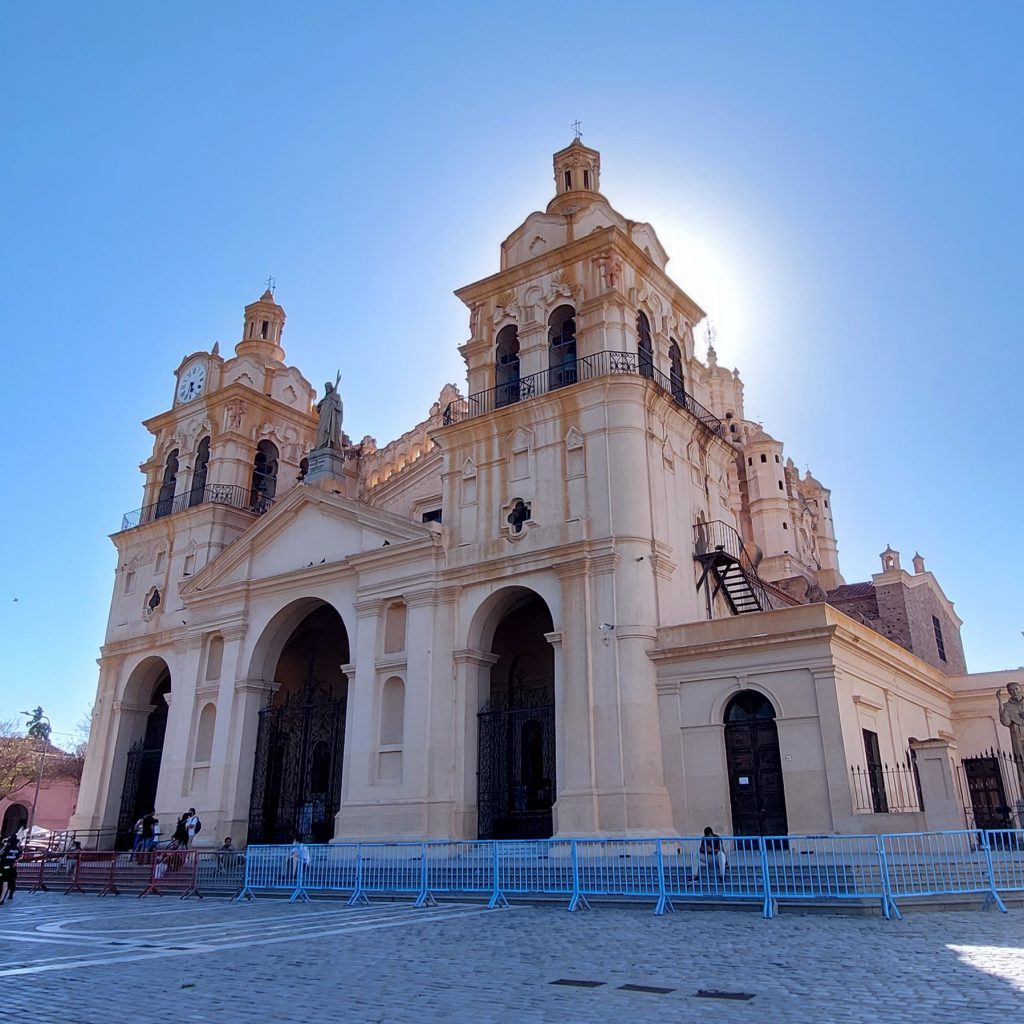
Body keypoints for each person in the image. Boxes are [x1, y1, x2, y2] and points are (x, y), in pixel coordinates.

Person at [313, 376, 343, 450]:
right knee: (322, 431)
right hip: (323, 417)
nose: (327, 388)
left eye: (328, 387)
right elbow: (318, 407)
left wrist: (334, 405)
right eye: (326, 387)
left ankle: (328, 443)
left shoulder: (336, 396)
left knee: (329, 429)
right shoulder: (325, 398)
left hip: (330, 417)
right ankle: (320, 445)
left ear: (331, 387)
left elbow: (339, 405)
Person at [0, 835, 22, 904]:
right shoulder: (18, 850)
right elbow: (18, 858)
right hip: (12, 869)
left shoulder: (6, 848)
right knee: (8, 883)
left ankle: (1, 898)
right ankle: (3, 898)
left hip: (3, 868)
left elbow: (1, 856)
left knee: (3, 883)